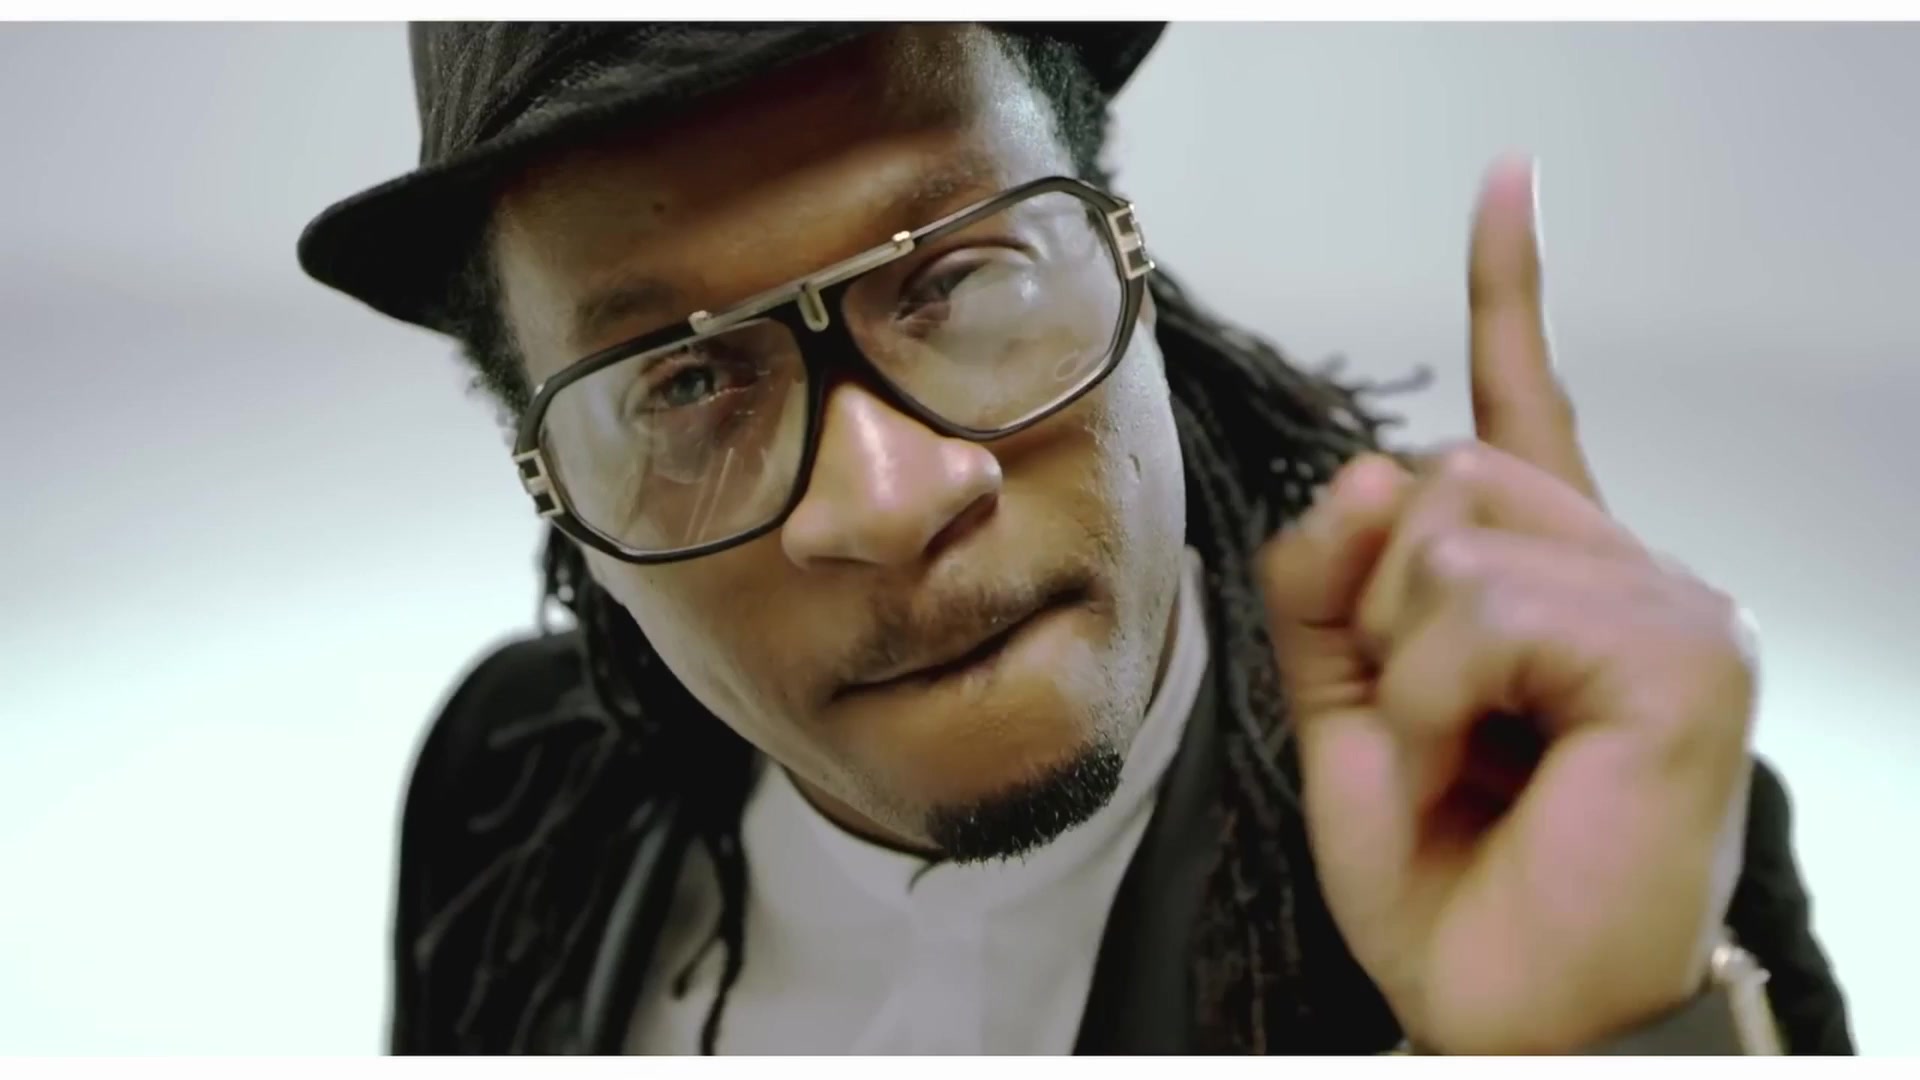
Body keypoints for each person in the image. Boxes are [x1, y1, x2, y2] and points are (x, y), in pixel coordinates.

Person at [297, 22, 1854, 1055]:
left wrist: (1604, 1050)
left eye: (956, 277)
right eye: (688, 381)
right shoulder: (508, 786)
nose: (890, 500)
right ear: (550, 489)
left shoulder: (1527, 805)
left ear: (1127, 263)